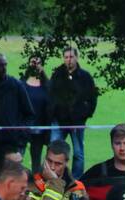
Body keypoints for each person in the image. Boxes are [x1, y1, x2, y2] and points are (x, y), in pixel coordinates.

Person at [49, 47, 98, 179]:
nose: (68, 60)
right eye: (66, 57)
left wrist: (86, 114)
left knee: (78, 153)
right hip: (59, 120)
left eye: (71, 57)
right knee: (54, 150)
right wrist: (52, 113)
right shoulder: (57, 75)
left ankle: (76, 180)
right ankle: (52, 177)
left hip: (77, 121)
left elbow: (92, 97)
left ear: (76, 57)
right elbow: (50, 95)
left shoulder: (85, 77)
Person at [0, 52, 34, 155]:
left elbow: (29, 115)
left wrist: (20, 135)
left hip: (13, 144)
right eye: (1, 65)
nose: (4, 68)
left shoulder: (15, 85)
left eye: (5, 65)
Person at [23, 56, 51, 173]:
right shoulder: (22, 83)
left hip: (39, 128)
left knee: (36, 158)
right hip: (23, 127)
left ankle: (36, 180)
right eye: (33, 62)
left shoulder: (46, 85)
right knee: (18, 156)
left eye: (38, 63)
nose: (35, 65)